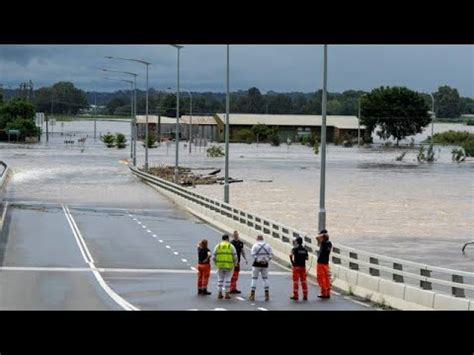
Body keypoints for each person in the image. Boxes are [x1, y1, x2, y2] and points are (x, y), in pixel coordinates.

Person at [212, 234, 238, 299]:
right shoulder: (230, 246)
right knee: (228, 279)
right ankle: (227, 294)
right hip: (229, 265)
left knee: (220, 279)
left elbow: (213, 257)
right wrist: (235, 263)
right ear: (227, 239)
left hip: (220, 265)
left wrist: (216, 263)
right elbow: (235, 257)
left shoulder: (218, 246)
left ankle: (219, 293)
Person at [249, 235, 273, 301]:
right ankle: (267, 295)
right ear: (263, 239)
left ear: (257, 238)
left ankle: (252, 295)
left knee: (254, 279)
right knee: (265, 279)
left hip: (256, 264)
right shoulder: (268, 245)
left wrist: (258, 260)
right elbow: (271, 255)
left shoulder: (255, 245)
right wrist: (266, 260)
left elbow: (252, 254)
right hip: (265, 264)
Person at [289, 236, 309, 301]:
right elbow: (307, 258)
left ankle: (295, 295)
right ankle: (305, 295)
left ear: (297, 242)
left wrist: (292, 262)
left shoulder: (294, 249)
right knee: (304, 282)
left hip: (296, 267)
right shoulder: (305, 249)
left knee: (296, 282)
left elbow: (290, 255)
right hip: (303, 267)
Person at [316, 229, 332, 299]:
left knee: (321, 278)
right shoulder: (329, 243)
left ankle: (324, 293)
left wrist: (323, 235)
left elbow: (317, 237)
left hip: (321, 263)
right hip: (326, 263)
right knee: (326, 278)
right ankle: (327, 293)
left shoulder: (324, 243)